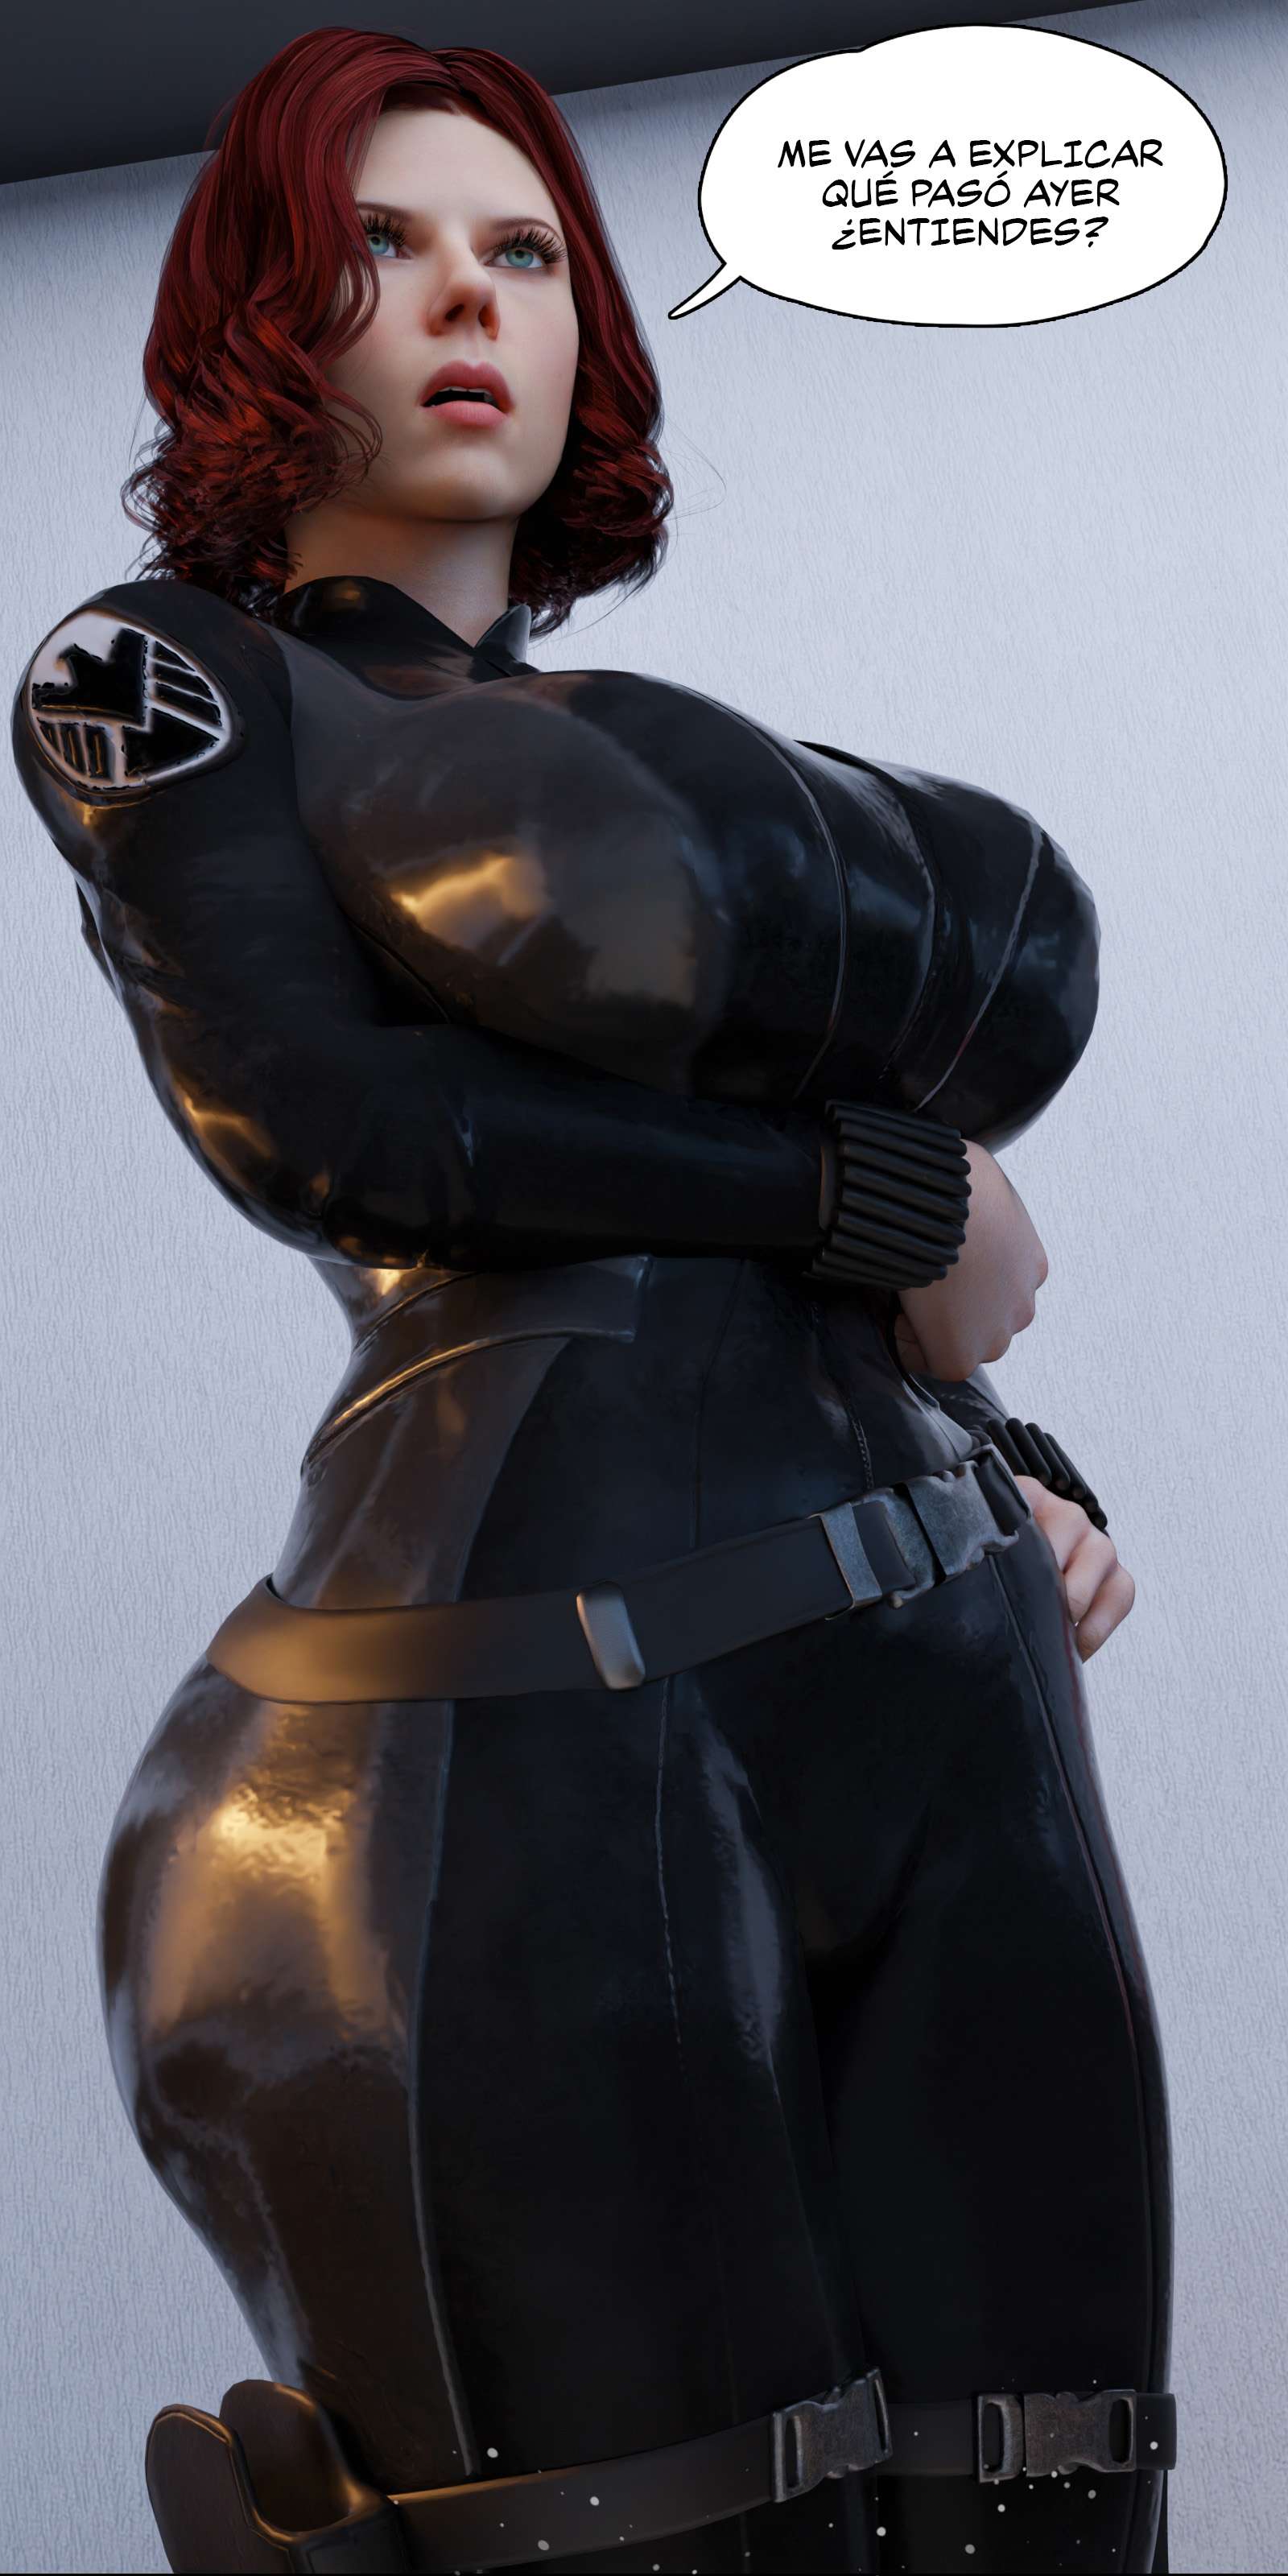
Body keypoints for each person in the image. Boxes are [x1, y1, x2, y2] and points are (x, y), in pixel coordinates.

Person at [10, 29, 1173, 2575]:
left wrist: (993, 1459)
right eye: (381, 246)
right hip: (525, 1743)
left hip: (932, 1681)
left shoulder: (637, 743)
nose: (469, 301)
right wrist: (880, 1197)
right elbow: (332, 1131)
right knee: (677, 2525)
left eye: (523, 251)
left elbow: (750, 1237)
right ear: (262, 314)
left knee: (1059, 2485)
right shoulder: (156, 675)